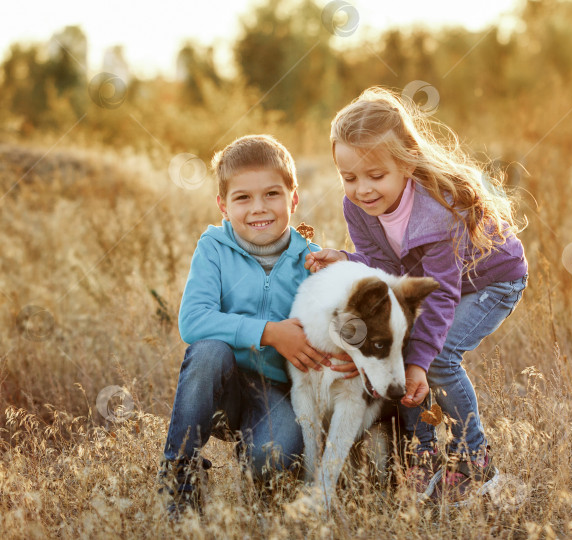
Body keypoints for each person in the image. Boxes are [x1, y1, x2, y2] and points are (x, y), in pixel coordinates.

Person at [305, 87, 529, 505]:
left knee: (437, 356)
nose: (362, 189)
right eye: (349, 177)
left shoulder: (435, 211)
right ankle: (421, 454)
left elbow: (442, 294)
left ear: (405, 163)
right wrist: (347, 258)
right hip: (440, 281)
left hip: (493, 281)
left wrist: (421, 362)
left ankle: (474, 459)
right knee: (401, 342)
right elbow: (382, 265)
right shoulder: (357, 208)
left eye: (376, 176)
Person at [157, 134, 356, 518]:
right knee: (208, 351)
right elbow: (193, 321)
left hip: (279, 393)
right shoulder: (213, 248)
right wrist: (271, 333)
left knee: (275, 461)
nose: (258, 208)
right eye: (243, 198)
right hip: (221, 388)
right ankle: (180, 473)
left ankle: (255, 450)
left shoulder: (312, 261)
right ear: (223, 205)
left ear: (293, 198)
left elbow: (336, 333)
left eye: (272, 194)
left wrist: (351, 357)